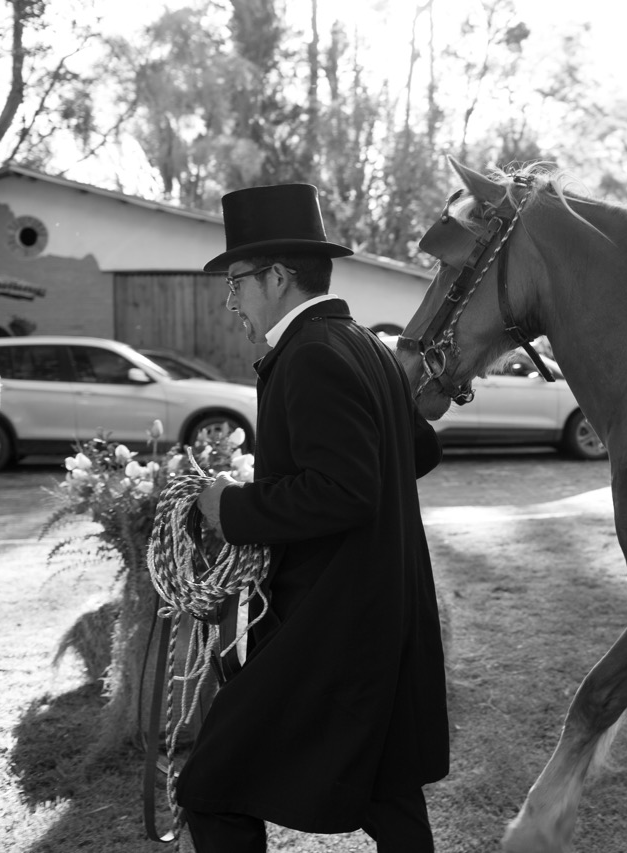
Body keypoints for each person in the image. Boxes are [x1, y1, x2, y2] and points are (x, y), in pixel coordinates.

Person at [178, 183, 448, 852]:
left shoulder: (313, 354)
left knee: (213, 783)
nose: (232, 298)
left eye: (238, 279)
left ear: (277, 274)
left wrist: (230, 505)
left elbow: (345, 488)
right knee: (388, 794)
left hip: (332, 620)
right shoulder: (361, 345)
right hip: (382, 610)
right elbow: (416, 449)